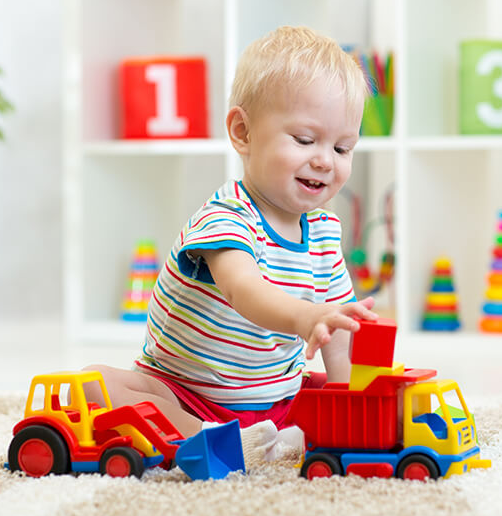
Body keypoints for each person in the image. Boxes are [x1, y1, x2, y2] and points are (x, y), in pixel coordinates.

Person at [84, 26, 376, 445]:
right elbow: (245, 291)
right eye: (305, 140)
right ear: (243, 132)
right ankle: (208, 437)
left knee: (355, 394)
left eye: (342, 149)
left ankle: (265, 435)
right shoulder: (226, 218)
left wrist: (349, 399)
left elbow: (337, 329)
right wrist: (304, 317)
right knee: (93, 384)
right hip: (185, 392)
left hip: (277, 397)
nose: (325, 161)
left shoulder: (326, 231)